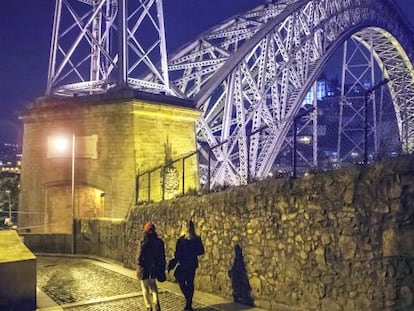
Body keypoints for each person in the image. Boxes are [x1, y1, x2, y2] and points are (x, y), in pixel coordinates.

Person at [169, 220, 205, 311]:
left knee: (189, 282)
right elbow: (177, 253)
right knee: (180, 281)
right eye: (185, 225)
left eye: (188, 225)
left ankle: (188, 304)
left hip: (191, 264)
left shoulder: (196, 239)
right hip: (183, 263)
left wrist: (192, 251)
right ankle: (188, 299)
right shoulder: (181, 240)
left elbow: (201, 250)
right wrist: (172, 264)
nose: (187, 227)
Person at [137, 222, 166, 311]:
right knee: (153, 285)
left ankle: (148, 306)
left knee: (145, 287)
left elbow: (139, 256)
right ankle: (156, 301)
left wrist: (139, 265)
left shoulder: (143, 242)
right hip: (154, 267)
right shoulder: (159, 242)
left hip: (145, 268)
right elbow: (162, 255)